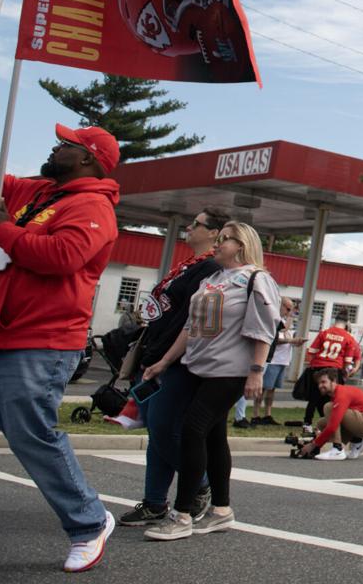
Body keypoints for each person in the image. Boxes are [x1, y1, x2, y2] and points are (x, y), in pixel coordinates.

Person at [0, 124, 120, 572]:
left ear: (88, 159)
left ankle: (88, 522)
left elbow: (62, 256)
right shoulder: (38, 194)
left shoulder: (93, 206)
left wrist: (3, 230)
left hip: (39, 342)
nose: (55, 147)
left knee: (31, 437)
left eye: (66, 144)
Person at [141, 221, 281, 540]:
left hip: (230, 371)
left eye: (224, 240)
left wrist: (256, 371)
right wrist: (164, 362)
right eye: (217, 239)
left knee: (193, 430)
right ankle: (221, 510)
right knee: (214, 438)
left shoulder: (257, 279)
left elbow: (264, 328)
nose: (217, 245)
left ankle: (182, 514)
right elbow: (190, 328)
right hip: (200, 368)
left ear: (242, 245)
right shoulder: (212, 279)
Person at [117, 208, 228, 528]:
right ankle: (154, 502)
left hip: (176, 360)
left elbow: (193, 320)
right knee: (156, 429)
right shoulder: (186, 266)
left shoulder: (210, 268)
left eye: (197, 224)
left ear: (214, 233)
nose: (189, 227)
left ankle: (201, 484)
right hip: (154, 353)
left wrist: (167, 356)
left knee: (166, 428)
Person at [298, 368, 363, 461]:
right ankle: (358, 441)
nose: (320, 385)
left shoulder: (341, 394)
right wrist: (315, 443)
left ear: (333, 381)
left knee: (329, 407)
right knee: (322, 423)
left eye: (324, 382)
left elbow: (333, 426)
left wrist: (313, 445)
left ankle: (337, 450)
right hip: (360, 423)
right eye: (319, 383)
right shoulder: (336, 395)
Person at [302, 310, 362, 431]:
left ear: (335, 321)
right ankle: (329, 422)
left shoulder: (324, 333)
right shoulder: (348, 338)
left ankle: (307, 423)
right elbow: (347, 360)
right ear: (346, 323)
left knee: (314, 397)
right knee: (332, 398)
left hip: (318, 368)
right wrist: (346, 372)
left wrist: (314, 365)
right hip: (334, 370)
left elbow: (311, 352)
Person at [253, 296, 303, 425]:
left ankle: (267, 414)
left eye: (292, 310)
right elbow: (276, 340)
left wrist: (296, 342)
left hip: (283, 361)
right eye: (288, 309)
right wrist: (291, 339)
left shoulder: (288, 324)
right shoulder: (277, 321)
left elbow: (287, 339)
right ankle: (256, 414)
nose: (290, 312)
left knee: (272, 389)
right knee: (263, 388)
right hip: (273, 360)